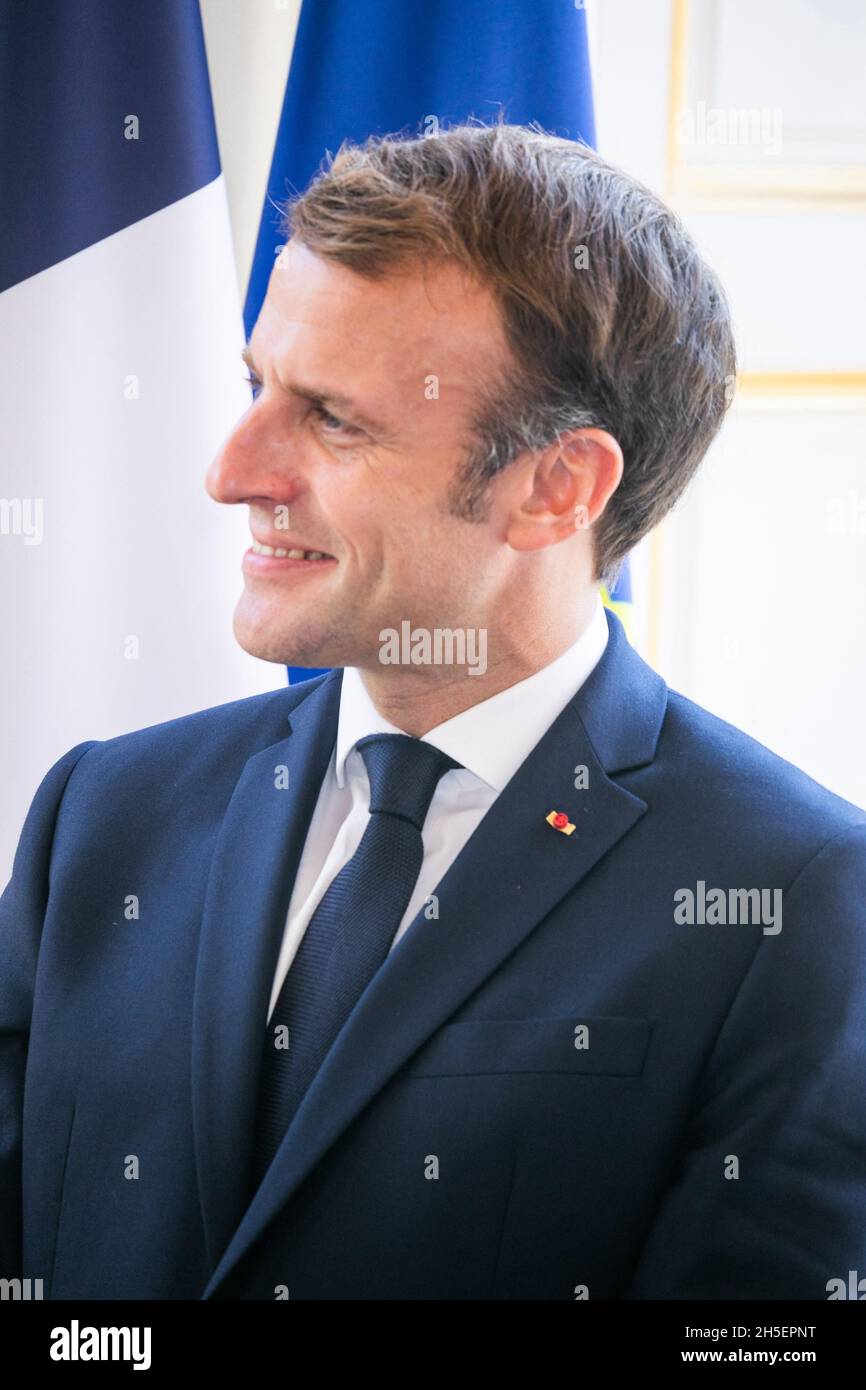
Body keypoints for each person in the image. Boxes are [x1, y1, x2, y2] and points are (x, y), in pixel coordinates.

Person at [2, 122, 864, 1301]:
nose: (230, 470)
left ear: (554, 487)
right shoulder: (103, 812)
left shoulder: (797, 897)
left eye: (331, 418)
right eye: (254, 386)